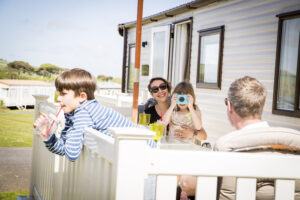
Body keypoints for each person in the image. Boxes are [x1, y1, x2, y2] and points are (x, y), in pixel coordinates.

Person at [180, 76, 300, 199]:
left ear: (230, 107)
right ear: (261, 106)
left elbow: (186, 185)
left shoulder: (226, 145)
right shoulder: (295, 142)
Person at [34, 68, 155, 161]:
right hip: (136, 155)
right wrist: (48, 135)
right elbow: (65, 149)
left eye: (63, 94)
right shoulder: (74, 113)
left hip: (146, 153)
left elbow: (71, 154)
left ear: (82, 97)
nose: (59, 99)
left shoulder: (85, 113)